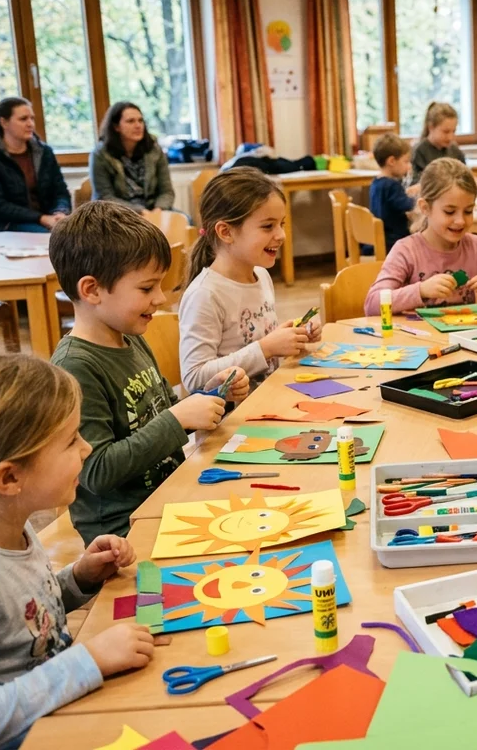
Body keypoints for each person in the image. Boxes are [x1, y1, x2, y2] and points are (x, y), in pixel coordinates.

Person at [0, 354, 157, 749]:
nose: (87, 448)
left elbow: (25, 619)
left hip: (63, 710)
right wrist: (88, 661)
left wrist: (78, 578)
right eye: (71, 441)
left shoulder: (6, 523)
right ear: (10, 477)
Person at [49, 202, 248, 544]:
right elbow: (95, 471)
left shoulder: (131, 338)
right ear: (92, 290)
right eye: (146, 288)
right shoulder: (75, 367)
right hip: (124, 531)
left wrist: (209, 397)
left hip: (168, 497)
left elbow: (162, 414)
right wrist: (178, 417)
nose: (160, 299)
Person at [178, 168, 318, 393]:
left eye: (282, 224)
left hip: (269, 400)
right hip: (232, 419)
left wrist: (291, 336)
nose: (281, 235)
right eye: (267, 226)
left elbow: (254, 341)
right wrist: (265, 348)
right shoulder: (205, 295)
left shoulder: (261, 275)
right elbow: (194, 377)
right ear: (226, 232)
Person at [364, 158, 477, 314]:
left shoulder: (476, 245)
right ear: (425, 208)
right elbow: (372, 303)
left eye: (468, 211)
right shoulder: (406, 250)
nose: (460, 221)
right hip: (423, 339)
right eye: (449, 211)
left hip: (469, 337)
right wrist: (421, 290)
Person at [0, 97, 70, 233]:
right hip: (2, 224)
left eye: (32, 118)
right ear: (4, 122)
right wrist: (40, 218)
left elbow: (60, 191)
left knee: (82, 236)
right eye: (23, 119)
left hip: (45, 220)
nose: (30, 124)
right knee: (48, 237)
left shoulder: (44, 152)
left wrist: (60, 212)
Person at [89, 102, 176, 216]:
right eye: (131, 121)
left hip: (154, 209)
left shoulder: (154, 149)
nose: (138, 125)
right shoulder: (100, 154)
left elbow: (167, 191)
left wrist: (158, 210)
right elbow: (105, 198)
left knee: (186, 220)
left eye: (140, 120)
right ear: (116, 127)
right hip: (118, 213)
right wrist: (140, 212)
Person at [369, 133, 415, 253]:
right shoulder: (391, 185)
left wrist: (405, 193)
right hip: (393, 242)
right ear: (392, 161)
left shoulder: (376, 182)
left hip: (379, 239)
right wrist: (421, 199)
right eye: (406, 162)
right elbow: (409, 205)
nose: (409, 166)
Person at [409, 102, 467, 184]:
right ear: (431, 127)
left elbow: (465, 178)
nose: (450, 137)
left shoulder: (455, 150)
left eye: (453, 131)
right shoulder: (419, 151)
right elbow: (416, 183)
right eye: (446, 132)